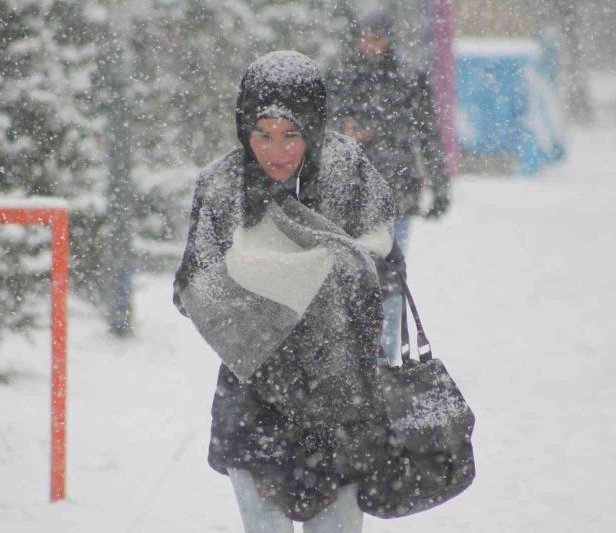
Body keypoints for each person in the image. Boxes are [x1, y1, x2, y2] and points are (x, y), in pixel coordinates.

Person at [173, 51, 400, 532]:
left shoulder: (349, 176)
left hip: (338, 405)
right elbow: (192, 288)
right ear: (243, 128)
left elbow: (380, 273)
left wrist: (289, 278)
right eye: (263, 134)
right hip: (255, 399)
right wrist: (271, 296)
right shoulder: (222, 187)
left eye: (291, 134)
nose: (276, 151)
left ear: (314, 127)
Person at [328, 10, 450, 366]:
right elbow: (320, 132)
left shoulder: (407, 80)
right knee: (350, 280)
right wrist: (346, 132)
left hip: (396, 194)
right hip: (347, 198)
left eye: (377, 37)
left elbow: (427, 136)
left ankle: (383, 361)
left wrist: (439, 187)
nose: (371, 45)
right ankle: (356, 360)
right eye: (365, 37)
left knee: (390, 280)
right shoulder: (340, 79)